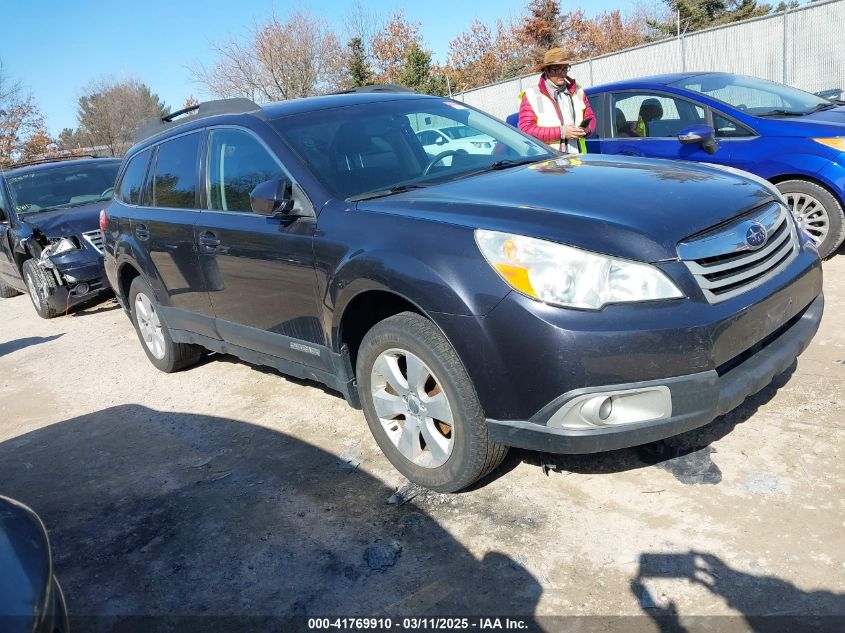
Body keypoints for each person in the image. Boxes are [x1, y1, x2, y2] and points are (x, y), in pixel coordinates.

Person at [518, 48, 596, 154]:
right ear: (546, 70)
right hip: (546, 164)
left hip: (577, 160)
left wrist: (586, 131)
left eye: (565, 68)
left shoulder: (578, 91)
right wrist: (561, 132)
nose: (562, 73)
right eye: (556, 69)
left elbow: (590, 118)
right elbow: (526, 130)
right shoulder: (531, 95)